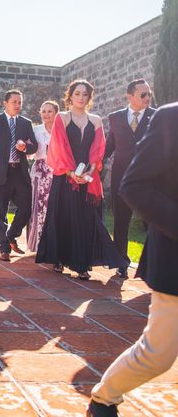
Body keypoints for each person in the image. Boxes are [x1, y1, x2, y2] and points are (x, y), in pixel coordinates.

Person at [86, 102, 178, 417]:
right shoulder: (170, 118)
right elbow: (134, 185)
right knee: (158, 354)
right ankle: (104, 399)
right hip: (175, 257)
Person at [36, 80, 126, 280]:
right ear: (70, 96)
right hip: (65, 177)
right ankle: (59, 258)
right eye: (77, 94)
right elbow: (58, 148)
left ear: (89, 97)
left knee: (86, 220)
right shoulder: (62, 117)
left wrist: (90, 172)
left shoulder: (95, 120)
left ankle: (82, 263)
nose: (81, 98)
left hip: (88, 179)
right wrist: (71, 173)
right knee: (64, 217)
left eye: (85, 94)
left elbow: (98, 151)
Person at [104, 79, 155, 279]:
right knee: (121, 222)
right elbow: (110, 145)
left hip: (149, 179)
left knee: (152, 223)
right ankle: (121, 262)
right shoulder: (114, 117)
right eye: (143, 94)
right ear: (130, 96)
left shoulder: (156, 116)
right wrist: (96, 164)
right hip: (121, 178)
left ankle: (152, 265)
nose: (147, 98)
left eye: (149, 94)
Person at [0, 89, 37, 262]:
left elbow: (34, 146)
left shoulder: (26, 123)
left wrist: (25, 148)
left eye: (20, 102)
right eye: (14, 102)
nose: (18, 105)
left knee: (27, 206)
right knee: (0, 212)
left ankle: (11, 235)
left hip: (19, 172)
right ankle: (4, 248)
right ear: (5, 103)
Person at [26, 100, 59, 252]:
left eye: (50, 111)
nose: (46, 114)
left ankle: (54, 243)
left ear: (56, 112)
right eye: (43, 111)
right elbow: (31, 152)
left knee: (55, 207)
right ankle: (39, 243)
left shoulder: (62, 129)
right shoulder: (35, 130)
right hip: (40, 172)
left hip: (58, 171)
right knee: (40, 207)